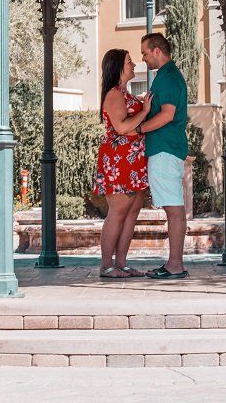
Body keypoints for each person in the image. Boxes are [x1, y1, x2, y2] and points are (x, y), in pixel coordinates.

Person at [94, 49, 152, 279]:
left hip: (134, 158)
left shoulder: (125, 93)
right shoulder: (114, 94)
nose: (134, 64)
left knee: (132, 212)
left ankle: (121, 263)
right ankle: (107, 266)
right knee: (118, 212)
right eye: (129, 61)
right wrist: (145, 110)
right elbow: (121, 127)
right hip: (119, 160)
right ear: (118, 66)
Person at [136, 33, 189, 279]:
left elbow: (167, 114)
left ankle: (175, 265)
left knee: (174, 210)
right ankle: (174, 264)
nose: (143, 58)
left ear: (157, 51)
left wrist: (139, 129)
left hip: (164, 150)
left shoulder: (167, 77)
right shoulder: (167, 76)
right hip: (167, 149)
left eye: (145, 53)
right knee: (174, 208)